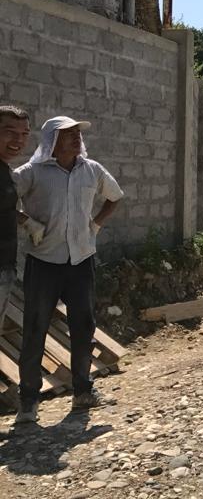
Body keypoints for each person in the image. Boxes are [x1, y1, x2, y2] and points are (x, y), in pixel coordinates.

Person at [13, 116, 124, 424]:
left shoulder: (92, 170)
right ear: (52, 140)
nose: (77, 138)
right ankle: (28, 401)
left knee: (83, 327)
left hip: (81, 262)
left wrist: (96, 224)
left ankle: (83, 391)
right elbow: (3, 198)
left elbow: (115, 197)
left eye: (78, 134)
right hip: (43, 263)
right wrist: (26, 222)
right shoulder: (33, 172)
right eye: (68, 134)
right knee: (35, 329)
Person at [0, 106, 32, 336]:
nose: (18, 140)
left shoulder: (6, 171)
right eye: (9, 132)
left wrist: (26, 221)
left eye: (24, 134)